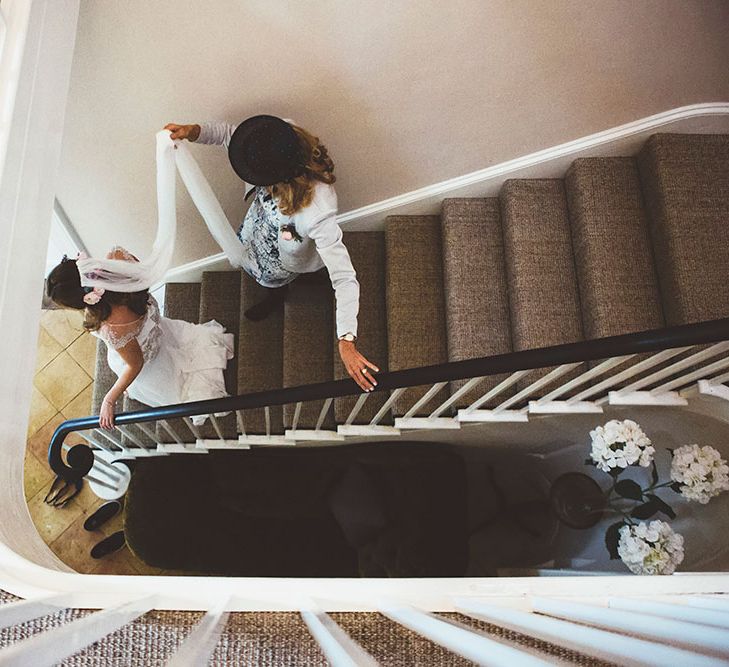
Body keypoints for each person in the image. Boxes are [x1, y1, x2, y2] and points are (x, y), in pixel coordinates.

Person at [164, 116, 379, 392]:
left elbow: (345, 277)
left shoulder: (318, 211)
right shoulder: (275, 137)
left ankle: (291, 285)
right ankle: (276, 292)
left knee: (281, 279)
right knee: (262, 277)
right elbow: (233, 136)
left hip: (285, 261)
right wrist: (194, 132)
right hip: (257, 229)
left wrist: (346, 339)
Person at [46, 247, 234, 430]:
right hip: (157, 327)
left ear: (82, 301)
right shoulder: (117, 257)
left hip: (147, 355)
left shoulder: (112, 327)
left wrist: (109, 399)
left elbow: (135, 364)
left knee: (143, 378)